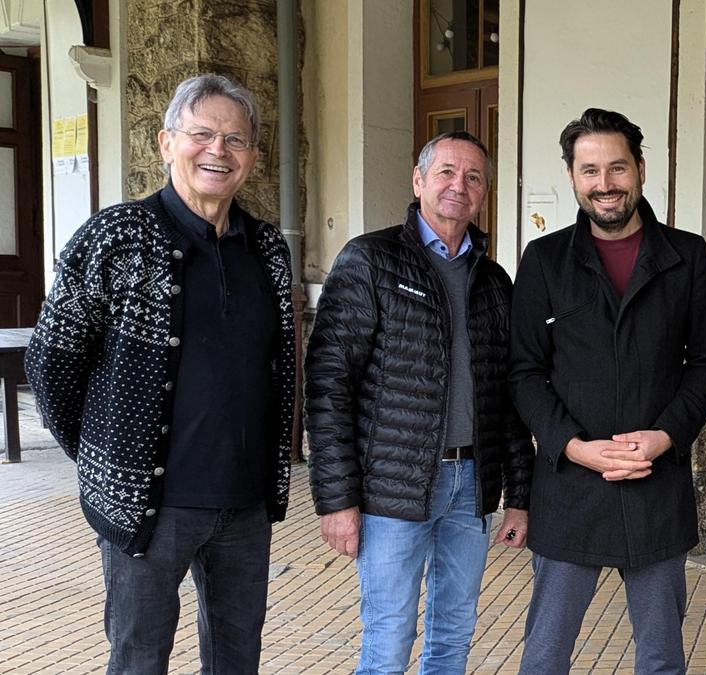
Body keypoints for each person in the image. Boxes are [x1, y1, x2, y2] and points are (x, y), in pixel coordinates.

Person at [25, 73, 295, 673]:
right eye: (202, 134)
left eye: (235, 139)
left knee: (236, 657)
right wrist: (103, 454)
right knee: (140, 656)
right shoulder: (117, 238)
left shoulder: (268, 249)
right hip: (150, 506)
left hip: (245, 504)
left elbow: (277, 367)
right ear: (165, 142)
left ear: (252, 155)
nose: (218, 151)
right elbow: (51, 362)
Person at [305, 130, 533, 674]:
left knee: (453, 635)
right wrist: (336, 500)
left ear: (484, 193)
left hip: (471, 485)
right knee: (388, 639)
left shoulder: (494, 280)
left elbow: (508, 398)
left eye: (474, 177)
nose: (460, 186)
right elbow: (329, 382)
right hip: (392, 488)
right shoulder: (370, 260)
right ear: (419, 180)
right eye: (447, 172)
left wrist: (519, 495)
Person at [509, 108, 706, 674]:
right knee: (545, 656)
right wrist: (574, 446)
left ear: (641, 169)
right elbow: (524, 371)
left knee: (660, 658)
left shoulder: (688, 256)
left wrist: (664, 436)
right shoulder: (545, 260)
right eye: (589, 171)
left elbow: (705, 363)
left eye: (616, 168)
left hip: (656, 485)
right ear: (573, 176)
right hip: (570, 487)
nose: (604, 184)